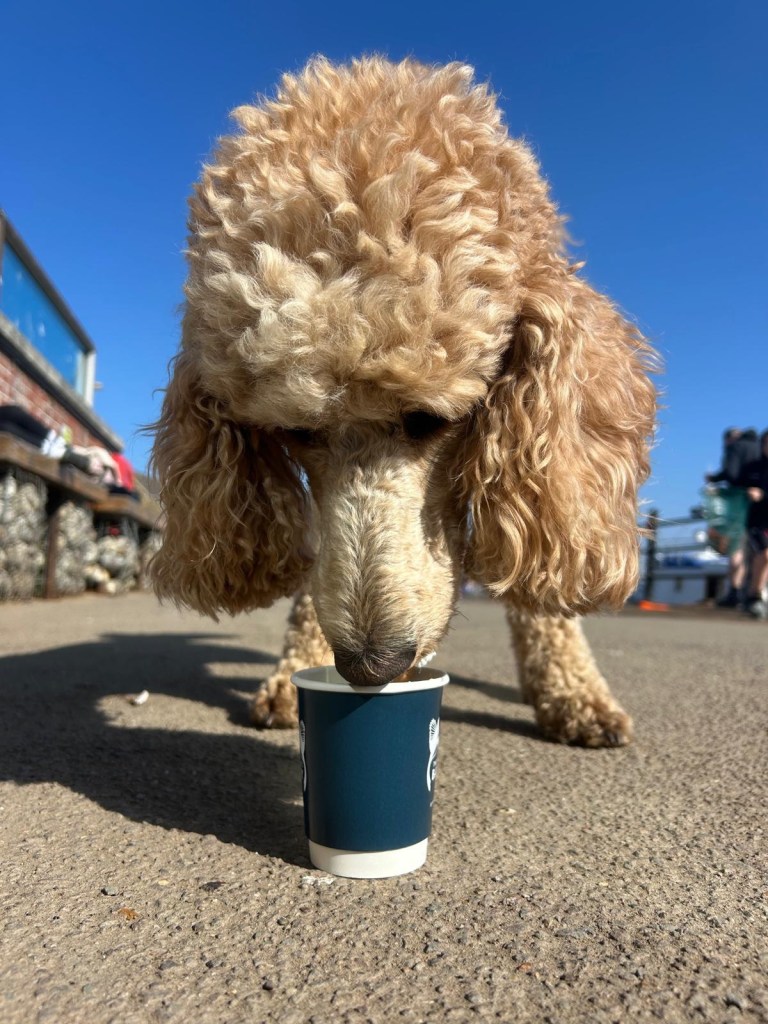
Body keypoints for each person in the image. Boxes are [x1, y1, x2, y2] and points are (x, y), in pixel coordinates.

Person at [704, 428, 760, 606]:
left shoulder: (735, 447)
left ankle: (734, 592)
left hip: (738, 502)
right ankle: (752, 593)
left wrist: (714, 479)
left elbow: (731, 473)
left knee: (736, 546)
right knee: (758, 551)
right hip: (759, 502)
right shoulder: (759, 447)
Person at [737, 429, 768, 619]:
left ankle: (754, 594)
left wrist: (763, 495)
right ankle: (754, 596)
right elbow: (736, 484)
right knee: (764, 555)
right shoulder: (752, 467)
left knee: (762, 559)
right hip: (755, 521)